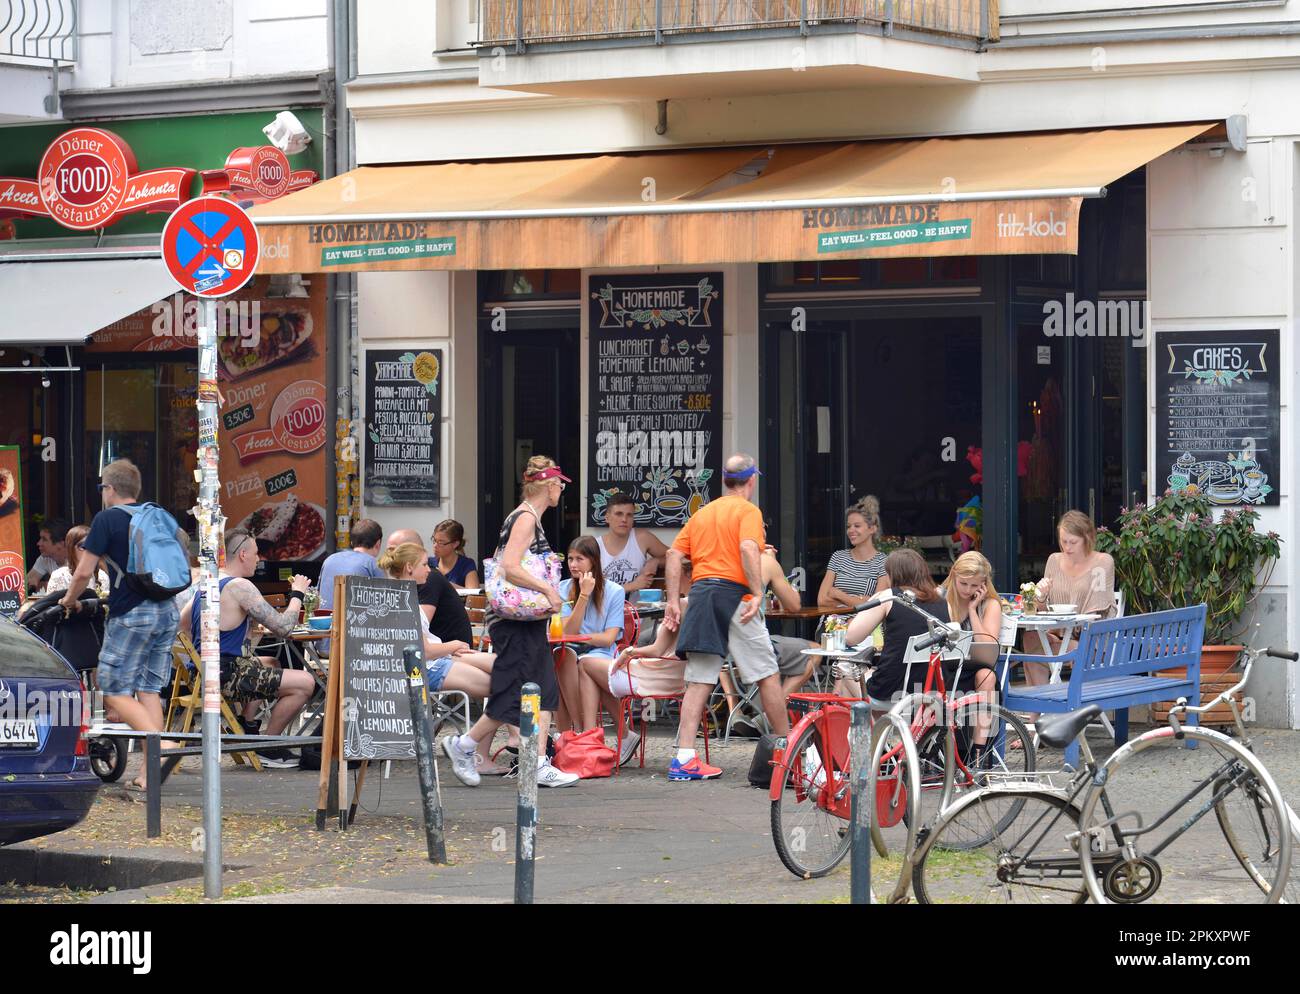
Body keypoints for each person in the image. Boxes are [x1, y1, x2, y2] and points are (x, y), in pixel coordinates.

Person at [440, 456, 580, 788]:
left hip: (524, 621)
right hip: (513, 621)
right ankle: (466, 746)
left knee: (542, 691)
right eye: (559, 484)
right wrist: (550, 590)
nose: (561, 490)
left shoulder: (529, 517)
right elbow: (512, 566)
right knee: (515, 694)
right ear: (548, 485)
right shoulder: (525, 519)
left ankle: (537, 762)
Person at [664, 452, 790, 781]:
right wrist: (758, 592)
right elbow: (749, 548)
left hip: (703, 595)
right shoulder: (748, 510)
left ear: (724, 480)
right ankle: (789, 750)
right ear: (752, 480)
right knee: (766, 673)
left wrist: (672, 601)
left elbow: (673, 553)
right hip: (735, 596)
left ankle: (684, 758)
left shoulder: (704, 513)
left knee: (699, 679)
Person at [59, 460, 184, 791]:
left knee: (113, 692)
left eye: (102, 488)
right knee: (148, 690)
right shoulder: (157, 516)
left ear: (109, 489)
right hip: (167, 610)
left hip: (133, 614)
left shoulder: (107, 519)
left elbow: (84, 572)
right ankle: (148, 777)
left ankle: (163, 745)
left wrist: (69, 600)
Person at [177, 529, 317, 768]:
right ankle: (268, 747)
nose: (259, 559)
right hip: (226, 674)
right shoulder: (240, 585)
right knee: (306, 682)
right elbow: (283, 627)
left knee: (271, 662)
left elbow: (183, 622)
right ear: (243, 554)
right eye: (255, 553)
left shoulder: (208, 583)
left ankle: (246, 725)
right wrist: (297, 594)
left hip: (201, 672)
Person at [1023, 509, 1117, 694]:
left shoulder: (1102, 563)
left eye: (1073, 542)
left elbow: (1097, 612)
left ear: (1087, 538)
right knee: (1030, 638)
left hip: (1091, 641)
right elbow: (1041, 609)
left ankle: (1040, 710)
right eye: (1063, 541)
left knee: (1032, 657)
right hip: (1060, 637)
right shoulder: (1054, 560)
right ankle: (1043, 706)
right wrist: (1040, 595)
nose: (1067, 547)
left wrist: (1064, 627)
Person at [552, 535, 625, 734]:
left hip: (602, 653)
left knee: (574, 662)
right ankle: (577, 729)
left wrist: (580, 638)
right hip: (570, 650)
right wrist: (583, 596)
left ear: (593, 560)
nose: (573, 565)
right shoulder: (563, 588)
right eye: (570, 559)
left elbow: (608, 638)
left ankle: (575, 732)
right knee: (562, 656)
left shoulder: (614, 591)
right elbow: (567, 632)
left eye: (579, 559)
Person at [386, 528, 473, 647]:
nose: (390, 556)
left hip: (447, 650)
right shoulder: (408, 583)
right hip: (438, 651)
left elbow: (415, 632)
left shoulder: (429, 578)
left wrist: (455, 646)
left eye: (394, 550)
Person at [817, 496, 890, 609]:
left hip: (864, 623)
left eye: (857, 526)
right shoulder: (838, 557)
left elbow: (877, 606)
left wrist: (838, 594)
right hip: (832, 623)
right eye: (848, 526)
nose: (851, 530)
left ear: (872, 529)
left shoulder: (883, 562)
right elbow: (822, 600)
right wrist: (860, 601)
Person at [596, 491, 670, 596]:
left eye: (629, 515)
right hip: (605, 609)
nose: (624, 519)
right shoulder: (595, 546)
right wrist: (633, 585)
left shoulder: (642, 538)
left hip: (638, 608)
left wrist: (656, 561)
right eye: (619, 514)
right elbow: (591, 591)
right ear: (607, 517)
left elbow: (676, 556)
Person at [317, 518, 384, 609]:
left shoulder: (329, 560)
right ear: (378, 544)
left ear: (352, 542)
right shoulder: (373, 564)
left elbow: (317, 596)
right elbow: (384, 603)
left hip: (324, 619)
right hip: (354, 621)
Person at [44, 524, 108, 595]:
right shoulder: (59, 576)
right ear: (71, 548)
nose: (88, 550)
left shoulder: (102, 576)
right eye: (83, 546)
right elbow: (52, 605)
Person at [432, 519, 480, 588]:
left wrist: (444, 583)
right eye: (434, 540)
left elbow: (473, 595)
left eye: (441, 542)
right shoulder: (428, 563)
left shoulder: (466, 565)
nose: (435, 546)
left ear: (455, 544)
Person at [26, 518, 69, 593]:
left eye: (44, 539)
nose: (38, 543)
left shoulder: (76, 559)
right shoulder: (44, 558)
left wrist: (44, 585)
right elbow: (28, 584)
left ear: (61, 544)